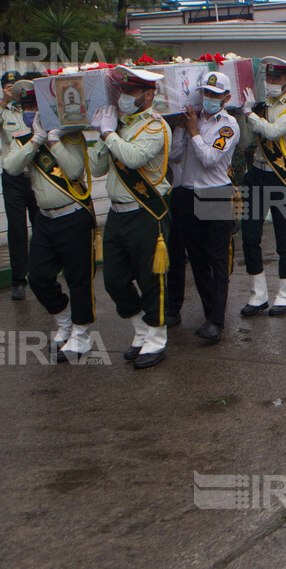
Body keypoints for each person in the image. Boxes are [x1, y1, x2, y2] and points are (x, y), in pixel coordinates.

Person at [2, 81, 96, 361]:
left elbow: (74, 169)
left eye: (35, 106)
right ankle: (65, 321)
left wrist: (53, 140)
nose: (30, 112)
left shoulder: (69, 136)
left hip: (74, 216)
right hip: (45, 220)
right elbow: (11, 167)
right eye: (25, 107)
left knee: (78, 279)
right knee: (38, 277)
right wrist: (36, 140)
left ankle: (81, 334)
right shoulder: (26, 139)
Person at [90, 66, 173, 370]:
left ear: (148, 95)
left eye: (132, 92)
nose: (124, 97)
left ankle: (156, 337)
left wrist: (110, 134)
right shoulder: (120, 126)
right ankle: (140, 330)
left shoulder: (155, 125)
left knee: (151, 279)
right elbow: (97, 169)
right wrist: (103, 135)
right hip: (117, 214)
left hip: (145, 213)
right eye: (123, 91)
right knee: (114, 279)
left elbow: (134, 157)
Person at [170, 70, 240, 343]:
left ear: (226, 97)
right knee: (197, 259)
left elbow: (210, 158)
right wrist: (180, 129)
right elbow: (175, 156)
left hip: (216, 194)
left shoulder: (229, 124)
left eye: (214, 94)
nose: (209, 98)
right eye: (205, 93)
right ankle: (209, 312)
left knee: (217, 259)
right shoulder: (191, 121)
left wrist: (194, 132)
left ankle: (218, 320)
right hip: (188, 193)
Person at [238, 57, 286, 316]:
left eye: (276, 78)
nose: (271, 83)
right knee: (250, 236)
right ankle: (258, 295)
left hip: (280, 176)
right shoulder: (258, 106)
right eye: (268, 78)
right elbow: (247, 140)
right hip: (256, 173)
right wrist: (241, 113)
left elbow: (273, 132)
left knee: (283, 237)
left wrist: (249, 115)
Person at [0, 70, 36, 299]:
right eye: (8, 86)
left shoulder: (33, 108)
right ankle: (18, 281)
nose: (13, 90)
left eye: (16, 87)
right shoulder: (2, 112)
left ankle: (42, 273)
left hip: (36, 176)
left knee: (41, 226)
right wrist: (3, 102)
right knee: (16, 229)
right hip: (13, 178)